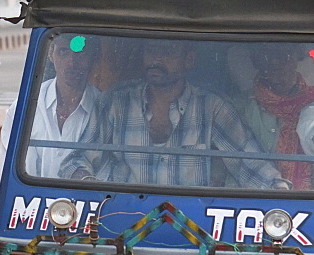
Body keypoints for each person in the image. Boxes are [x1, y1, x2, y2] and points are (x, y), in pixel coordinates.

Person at [69, 39, 291, 190]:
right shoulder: (117, 102)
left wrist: (282, 196)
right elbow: (79, 159)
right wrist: (87, 185)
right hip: (123, 220)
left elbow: (250, 165)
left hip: (190, 227)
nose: (155, 60)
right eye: (151, 51)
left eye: (167, 52)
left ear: (189, 60)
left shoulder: (212, 106)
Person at [0, 33, 101, 177]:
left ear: (93, 58)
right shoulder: (23, 110)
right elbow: (11, 176)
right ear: (51, 54)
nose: (72, 62)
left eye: (81, 53)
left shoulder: (104, 109)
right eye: (63, 52)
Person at [242, 43, 314, 190]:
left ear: (295, 58)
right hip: (259, 194)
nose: (276, 65)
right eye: (267, 59)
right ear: (258, 63)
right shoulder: (243, 106)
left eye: (283, 57)